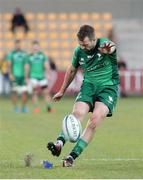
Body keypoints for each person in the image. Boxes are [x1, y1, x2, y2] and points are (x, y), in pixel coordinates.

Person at [47, 25, 119, 167]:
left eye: (85, 44)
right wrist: (62, 90)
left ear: (94, 40)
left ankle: (71, 157)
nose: (83, 47)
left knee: (94, 120)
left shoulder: (104, 44)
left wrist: (108, 49)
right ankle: (59, 143)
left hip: (108, 88)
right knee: (77, 113)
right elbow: (72, 69)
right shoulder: (79, 51)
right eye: (80, 45)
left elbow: (112, 47)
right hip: (88, 87)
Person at [25, 40, 53, 113]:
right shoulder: (29, 56)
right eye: (34, 47)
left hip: (42, 77)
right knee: (35, 92)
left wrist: (48, 74)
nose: (35, 48)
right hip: (33, 76)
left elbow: (46, 65)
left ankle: (49, 108)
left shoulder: (42, 55)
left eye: (37, 46)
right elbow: (27, 67)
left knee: (46, 92)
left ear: (39, 47)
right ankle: (36, 108)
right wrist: (26, 77)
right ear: (32, 47)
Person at [7, 39, 29, 112]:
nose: (18, 45)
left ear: (20, 45)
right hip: (15, 76)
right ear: (15, 45)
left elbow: (26, 65)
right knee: (14, 92)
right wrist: (10, 74)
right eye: (16, 44)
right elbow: (9, 65)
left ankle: (24, 107)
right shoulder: (11, 54)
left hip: (23, 76)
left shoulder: (24, 54)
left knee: (25, 91)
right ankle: (15, 107)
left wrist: (26, 77)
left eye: (19, 44)